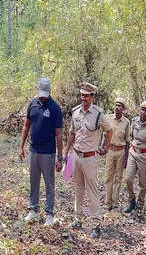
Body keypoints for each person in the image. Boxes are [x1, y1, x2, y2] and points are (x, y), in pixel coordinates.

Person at [63, 82, 113, 238]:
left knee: (92, 191)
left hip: (90, 158)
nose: (83, 98)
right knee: (78, 188)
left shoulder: (98, 114)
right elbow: (72, 133)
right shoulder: (75, 112)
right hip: (76, 156)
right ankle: (78, 218)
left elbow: (109, 130)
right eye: (82, 95)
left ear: (92, 97)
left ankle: (95, 224)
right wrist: (66, 152)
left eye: (86, 95)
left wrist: (105, 147)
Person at [18, 78, 63, 226]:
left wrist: (60, 158)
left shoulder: (55, 108)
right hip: (34, 151)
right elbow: (26, 126)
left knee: (49, 184)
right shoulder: (32, 104)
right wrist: (21, 147)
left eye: (45, 94)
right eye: (41, 94)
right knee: (33, 182)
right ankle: (33, 210)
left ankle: (49, 214)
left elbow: (59, 135)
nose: (42, 97)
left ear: (49, 91)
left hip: (48, 153)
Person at [123, 101, 146, 215]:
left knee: (142, 183)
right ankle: (132, 200)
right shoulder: (134, 121)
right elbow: (131, 136)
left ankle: (140, 205)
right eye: (142, 109)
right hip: (133, 152)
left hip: (144, 155)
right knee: (128, 179)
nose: (143, 112)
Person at [104, 97, 130, 211]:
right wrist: (102, 148)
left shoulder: (126, 122)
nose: (117, 107)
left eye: (119, 106)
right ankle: (107, 202)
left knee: (118, 178)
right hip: (110, 150)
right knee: (108, 177)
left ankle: (115, 202)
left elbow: (128, 141)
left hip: (121, 151)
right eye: (116, 105)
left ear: (123, 109)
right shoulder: (108, 119)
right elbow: (105, 136)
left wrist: (126, 159)